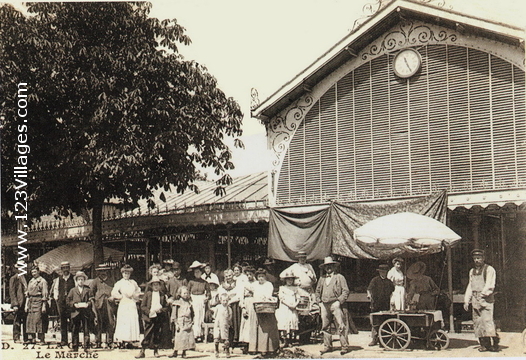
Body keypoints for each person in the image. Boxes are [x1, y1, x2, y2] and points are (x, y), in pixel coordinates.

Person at [464, 249, 500, 352]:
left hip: (486, 299)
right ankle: (484, 345)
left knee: (487, 321)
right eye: (475, 258)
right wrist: (467, 300)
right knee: (478, 323)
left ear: (483, 258)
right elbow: (470, 286)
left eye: (479, 258)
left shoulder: (489, 270)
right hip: (475, 299)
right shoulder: (472, 271)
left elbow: (490, 284)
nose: (476, 260)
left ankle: (494, 344)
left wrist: (483, 294)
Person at [315, 256, 350, 356]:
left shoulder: (340, 277)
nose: (328, 268)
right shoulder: (321, 279)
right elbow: (317, 292)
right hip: (324, 305)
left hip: (336, 304)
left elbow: (345, 291)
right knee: (325, 326)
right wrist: (319, 302)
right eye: (327, 266)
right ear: (324, 268)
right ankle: (327, 346)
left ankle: (344, 346)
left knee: (341, 325)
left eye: (330, 266)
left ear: (334, 267)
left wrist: (339, 301)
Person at [247, 268, 279, 355]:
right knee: (255, 327)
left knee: (265, 328)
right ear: (256, 277)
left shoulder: (269, 285)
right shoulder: (255, 284)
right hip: (256, 307)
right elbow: (247, 288)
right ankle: (254, 347)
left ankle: (266, 348)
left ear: (265, 277)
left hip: (266, 307)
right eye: (259, 276)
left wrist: (264, 298)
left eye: (262, 276)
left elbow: (268, 295)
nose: (261, 278)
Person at [136, 276, 169, 358]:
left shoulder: (162, 295)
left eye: (157, 284)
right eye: (154, 285)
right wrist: (149, 311)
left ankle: (156, 350)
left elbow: (166, 307)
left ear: (160, 286)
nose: (156, 286)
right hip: (150, 318)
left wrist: (161, 310)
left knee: (157, 334)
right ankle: (142, 350)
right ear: (151, 286)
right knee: (147, 334)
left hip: (158, 317)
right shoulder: (148, 295)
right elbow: (143, 306)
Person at [111, 264, 141, 347]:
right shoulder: (120, 283)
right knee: (124, 321)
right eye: (125, 273)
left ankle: (131, 340)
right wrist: (120, 297)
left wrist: (134, 296)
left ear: (130, 274)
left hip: (131, 303)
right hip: (124, 303)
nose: (126, 275)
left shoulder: (133, 282)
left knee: (132, 320)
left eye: (128, 273)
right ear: (122, 274)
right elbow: (114, 292)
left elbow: (138, 290)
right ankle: (122, 339)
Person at [367, 264, 395, 346]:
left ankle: (383, 340)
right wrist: (369, 295)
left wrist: (392, 302)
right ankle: (374, 339)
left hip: (385, 305)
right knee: (375, 323)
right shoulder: (375, 280)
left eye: (384, 272)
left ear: (387, 272)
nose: (383, 273)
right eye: (381, 272)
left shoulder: (389, 282)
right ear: (379, 272)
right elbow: (369, 289)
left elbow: (392, 292)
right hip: (376, 304)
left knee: (384, 322)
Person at [90, 263, 116, 348]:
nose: (103, 273)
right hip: (99, 304)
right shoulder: (95, 281)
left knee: (110, 322)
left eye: (104, 271)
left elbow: (116, 291)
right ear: (98, 272)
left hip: (109, 304)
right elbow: (91, 293)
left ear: (107, 271)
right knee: (98, 322)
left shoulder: (112, 280)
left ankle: (110, 341)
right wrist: (93, 301)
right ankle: (98, 341)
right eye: (101, 271)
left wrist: (113, 297)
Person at [66, 271, 93, 352]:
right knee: (75, 329)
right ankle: (75, 346)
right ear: (76, 281)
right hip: (76, 312)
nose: (80, 281)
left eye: (82, 279)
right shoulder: (73, 290)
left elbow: (91, 299)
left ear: (84, 280)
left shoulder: (87, 289)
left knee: (86, 329)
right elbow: (68, 300)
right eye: (79, 280)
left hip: (85, 312)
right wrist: (74, 304)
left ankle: (87, 347)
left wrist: (88, 304)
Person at [187, 260, 210, 342]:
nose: (197, 274)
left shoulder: (204, 282)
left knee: (200, 317)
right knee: (195, 317)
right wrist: (189, 300)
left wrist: (206, 298)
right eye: (195, 272)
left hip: (201, 299)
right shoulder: (191, 282)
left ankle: (200, 334)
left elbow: (208, 293)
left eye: (198, 272)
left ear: (201, 273)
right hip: (193, 300)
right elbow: (188, 292)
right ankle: (194, 334)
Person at [218, 269, 242, 346]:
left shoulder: (237, 284)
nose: (228, 277)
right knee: (225, 322)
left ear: (233, 275)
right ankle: (226, 339)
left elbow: (239, 294)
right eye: (227, 276)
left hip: (235, 305)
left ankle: (236, 339)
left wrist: (231, 300)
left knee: (235, 321)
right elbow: (221, 295)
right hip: (225, 305)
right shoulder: (222, 285)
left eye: (230, 275)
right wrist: (226, 300)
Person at [275, 270, 299, 347]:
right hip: (285, 307)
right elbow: (281, 299)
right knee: (285, 323)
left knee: (292, 322)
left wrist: (295, 304)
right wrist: (289, 305)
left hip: (293, 308)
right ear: (285, 280)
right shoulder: (282, 288)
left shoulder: (295, 288)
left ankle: (290, 341)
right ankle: (285, 340)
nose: (290, 281)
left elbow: (298, 298)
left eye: (291, 279)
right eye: (288, 279)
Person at [54, 261, 75, 346]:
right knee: (63, 322)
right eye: (64, 268)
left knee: (73, 321)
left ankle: (74, 340)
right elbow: (56, 289)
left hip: (71, 303)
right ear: (61, 269)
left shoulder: (73, 278)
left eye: (67, 268)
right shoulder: (58, 279)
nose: (65, 270)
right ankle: (64, 340)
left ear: (69, 268)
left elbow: (76, 289)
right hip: (62, 303)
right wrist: (57, 298)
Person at [170, 286, 195, 358]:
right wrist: (175, 323)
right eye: (184, 293)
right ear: (180, 294)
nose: (186, 295)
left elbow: (192, 313)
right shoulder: (177, 303)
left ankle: (184, 352)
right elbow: (174, 314)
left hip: (188, 322)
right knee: (178, 337)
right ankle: (175, 351)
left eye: (187, 293)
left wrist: (192, 321)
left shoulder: (189, 303)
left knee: (186, 338)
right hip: (180, 322)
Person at [26, 266, 48, 344]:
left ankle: (41, 339)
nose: (33, 274)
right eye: (32, 272)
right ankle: (31, 338)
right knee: (30, 320)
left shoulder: (42, 281)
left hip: (39, 301)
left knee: (39, 320)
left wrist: (44, 305)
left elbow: (45, 294)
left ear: (38, 272)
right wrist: (26, 304)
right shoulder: (31, 281)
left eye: (35, 272)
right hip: (31, 301)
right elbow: (28, 294)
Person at [238, 266, 257, 353]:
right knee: (246, 324)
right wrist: (243, 307)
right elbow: (241, 296)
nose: (249, 276)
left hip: (254, 303)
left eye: (251, 274)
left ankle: (253, 345)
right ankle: (245, 345)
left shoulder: (256, 283)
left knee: (253, 324)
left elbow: (257, 292)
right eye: (247, 274)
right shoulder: (244, 284)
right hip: (246, 302)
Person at [9, 262, 28, 343]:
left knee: (26, 320)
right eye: (20, 268)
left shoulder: (26, 278)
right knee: (17, 320)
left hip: (26, 303)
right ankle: (16, 337)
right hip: (18, 303)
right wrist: (15, 304)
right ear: (17, 269)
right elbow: (12, 292)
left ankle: (26, 338)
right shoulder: (13, 278)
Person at [214, 293, 233, 358]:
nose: (225, 302)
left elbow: (230, 316)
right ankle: (216, 351)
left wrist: (228, 323)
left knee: (226, 339)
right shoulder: (218, 307)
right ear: (220, 300)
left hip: (224, 325)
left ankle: (227, 351)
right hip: (217, 324)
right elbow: (214, 315)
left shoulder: (229, 308)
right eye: (223, 300)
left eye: (226, 301)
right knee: (216, 338)